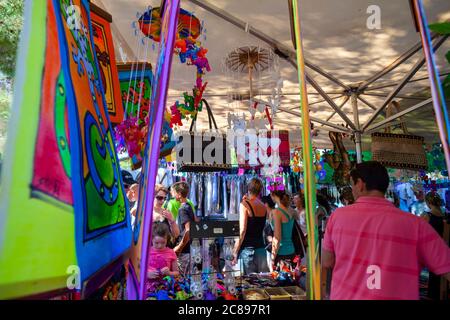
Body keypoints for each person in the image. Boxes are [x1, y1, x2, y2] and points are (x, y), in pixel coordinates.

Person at [322, 161, 450, 300]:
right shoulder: (415, 224)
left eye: (352, 185)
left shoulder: (337, 217)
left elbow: (327, 261)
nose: (352, 190)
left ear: (360, 184)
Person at [232, 178, 269, 274]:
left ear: (248, 189)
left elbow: (242, 230)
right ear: (260, 191)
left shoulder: (245, 204)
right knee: (262, 284)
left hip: (248, 251)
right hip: (261, 249)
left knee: (249, 286)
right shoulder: (263, 206)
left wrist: (235, 250)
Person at [421, 192, 448, 300]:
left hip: (432, 249)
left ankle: (433, 295)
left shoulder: (426, 216)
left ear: (428, 202)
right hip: (445, 248)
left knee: (433, 273)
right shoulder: (445, 216)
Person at [172, 181, 196, 276]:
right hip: (190, 249)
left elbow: (188, 230)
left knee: (184, 278)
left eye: (173, 192)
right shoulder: (188, 205)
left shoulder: (183, 209)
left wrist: (179, 247)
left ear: (179, 194)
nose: (172, 194)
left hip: (185, 250)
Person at [270, 190, 298, 272]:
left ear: (273, 195)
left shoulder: (276, 212)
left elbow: (277, 237)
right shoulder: (292, 211)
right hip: (292, 251)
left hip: (281, 253)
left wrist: (272, 258)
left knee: (281, 283)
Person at [261, 195, 276, 270]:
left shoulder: (273, 215)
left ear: (266, 204)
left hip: (273, 248)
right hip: (270, 247)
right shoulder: (268, 215)